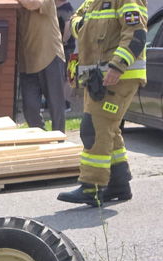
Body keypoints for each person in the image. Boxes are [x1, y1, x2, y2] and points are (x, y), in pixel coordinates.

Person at [56, 0, 147, 206]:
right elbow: (75, 22)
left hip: (119, 76)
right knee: (108, 129)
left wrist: (117, 66)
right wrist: (80, 25)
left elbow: (136, 35)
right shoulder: (93, 2)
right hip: (97, 76)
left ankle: (91, 186)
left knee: (94, 129)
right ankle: (118, 183)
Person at [17, 0, 67, 133]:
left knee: (56, 107)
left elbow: (32, 4)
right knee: (30, 109)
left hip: (50, 56)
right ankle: (43, 140)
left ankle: (59, 142)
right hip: (27, 61)